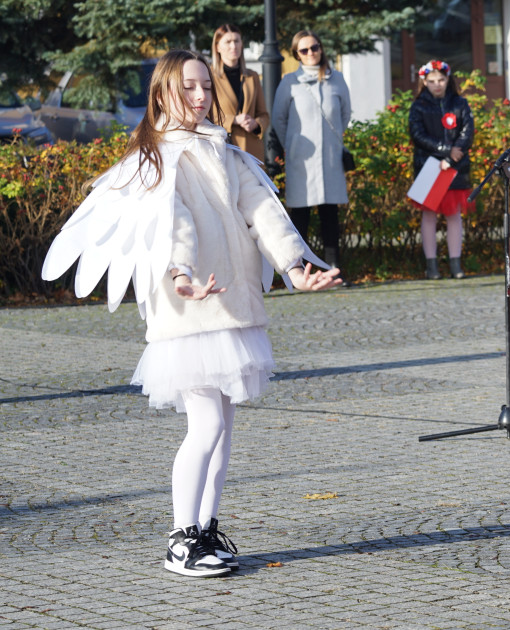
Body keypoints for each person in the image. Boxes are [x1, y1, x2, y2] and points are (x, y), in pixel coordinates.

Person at [41, 50, 341, 579]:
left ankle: (204, 530)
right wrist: (180, 275)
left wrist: (296, 269)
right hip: (189, 312)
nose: (201, 97)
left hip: (231, 306)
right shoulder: (157, 158)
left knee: (223, 430)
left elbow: (264, 212)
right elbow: (172, 223)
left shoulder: (224, 150)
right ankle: (180, 540)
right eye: (188, 87)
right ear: (163, 93)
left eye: (205, 86)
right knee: (206, 425)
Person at [272, 30, 352, 268]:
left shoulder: (337, 79)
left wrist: (333, 141)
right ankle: (301, 271)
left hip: (330, 157)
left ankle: (334, 270)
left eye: (314, 47)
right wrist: (293, 144)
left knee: (330, 214)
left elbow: (345, 114)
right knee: (300, 216)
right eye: (304, 50)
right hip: (302, 160)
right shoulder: (289, 82)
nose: (311, 53)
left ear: (321, 48)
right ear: (297, 54)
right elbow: (278, 119)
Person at [408, 60, 475, 280]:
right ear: (424, 82)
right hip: (429, 166)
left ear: (448, 80)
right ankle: (432, 265)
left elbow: (467, 132)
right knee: (429, 215)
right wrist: (446, 150)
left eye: (441, 80)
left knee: (454, 214)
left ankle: (456, 264)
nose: (437, 85)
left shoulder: (460, 103)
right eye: (432, 81)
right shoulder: (418, 106)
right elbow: (417, 135)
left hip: (455, 167)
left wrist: (454, 154)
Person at [208, 24, 268, 161]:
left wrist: (256, 124)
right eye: (228, 42)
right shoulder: (209, 77)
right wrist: (233, 120)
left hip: (252, 151)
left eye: (237, 41)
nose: (233, 46)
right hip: (223, 150)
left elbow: (264, 115)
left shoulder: (252, 76)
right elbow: (205, 117)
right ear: (217, 47)